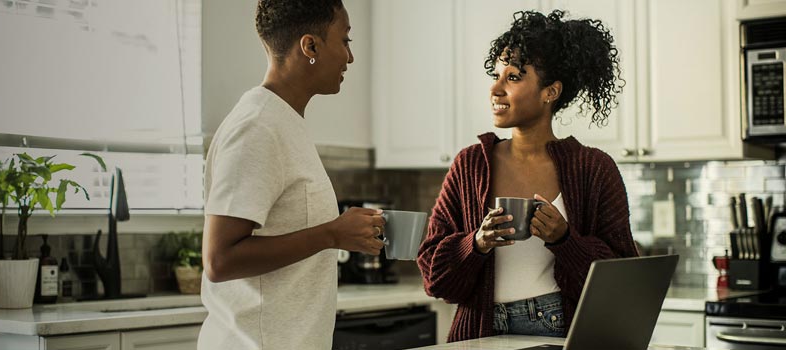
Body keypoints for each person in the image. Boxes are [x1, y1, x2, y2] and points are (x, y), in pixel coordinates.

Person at [417, 10, 638, 342]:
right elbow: (434, 277)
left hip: (559, 332)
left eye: (513, 77)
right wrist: (475, 243)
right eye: (496, 75)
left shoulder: (594, 168)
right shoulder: (469, 165)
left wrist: (565, 240)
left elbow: (623, 282)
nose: (496, 88)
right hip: (478, 334)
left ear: (550, 91)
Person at [198, 0, 383, 348]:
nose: (350, 57)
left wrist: (336, 232)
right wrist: (332, 234)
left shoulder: (282, 122)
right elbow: (219, 260)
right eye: (345, 41)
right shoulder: (258, 127)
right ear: (310, 45)